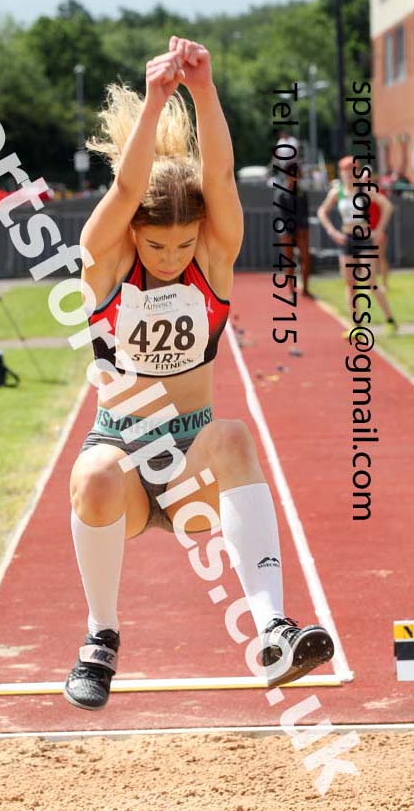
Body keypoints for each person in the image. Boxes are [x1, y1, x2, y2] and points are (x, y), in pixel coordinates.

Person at [64, 36, 334, 712]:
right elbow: (128, 187)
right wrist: (158, 96)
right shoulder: (104, 264)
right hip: (120, 455)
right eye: (156, 244)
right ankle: (100, 638)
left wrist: (204, 88)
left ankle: (271, 629)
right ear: (132, 235)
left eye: (181, 242)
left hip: (190, 463)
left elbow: (215, 181)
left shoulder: (208, 262)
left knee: (236, 434)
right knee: (91, 476)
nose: (169, 254)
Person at [317, 156, 397, 336]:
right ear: (341, 173)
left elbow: (387, 206)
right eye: (345, 171)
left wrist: (379, 230)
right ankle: (356, 325)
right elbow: (322, 211)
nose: (348, 175)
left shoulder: (364, 190)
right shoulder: (336, 192)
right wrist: (332, 231)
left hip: (365, 238)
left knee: (370, 282)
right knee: (350, 284)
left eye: (352, 171)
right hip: (346, 238)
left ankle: (390, 319)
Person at [276, 162, 313, 298]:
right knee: (289, 260)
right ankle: (291, 290)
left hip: (301, 229)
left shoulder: (302, 193)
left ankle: (306, 289)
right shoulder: (281, 193)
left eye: (296, 174)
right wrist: (292, 230)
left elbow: (305, 213)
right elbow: (283, 215)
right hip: (286, 230)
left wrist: (303, 229)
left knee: (306, 257)